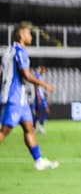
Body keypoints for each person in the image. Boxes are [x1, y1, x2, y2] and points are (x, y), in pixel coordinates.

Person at [0, 22, 59, 170]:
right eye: (28, 33)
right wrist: (45, 85)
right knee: (4, 132)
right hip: (14, 99)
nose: (31, 36)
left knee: (29, 128)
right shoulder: (20, 51)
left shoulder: (8, 51)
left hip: (19, 99)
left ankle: (39, 160)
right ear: (21, 35)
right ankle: (39, 160)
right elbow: (26, 75)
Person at [31, 65, 49, 134]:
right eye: (44, 69)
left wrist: (45, 95)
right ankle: (38, 127)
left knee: (39, 112)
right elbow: (36, 87)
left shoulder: (40, 76)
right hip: (38, 97)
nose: (44, 71)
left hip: (40, 96)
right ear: (40, 69)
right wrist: (38, 97)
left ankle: (37, 127)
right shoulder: (37, 76)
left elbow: (39, 88)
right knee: (42, 111)